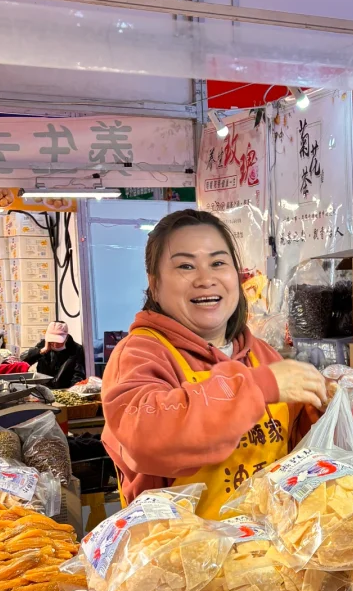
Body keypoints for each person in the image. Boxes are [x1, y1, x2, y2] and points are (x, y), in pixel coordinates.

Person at [101, 208, 328, 518]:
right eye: (185, 266)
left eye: (218, 263)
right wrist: (258, 387)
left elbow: (295, 453)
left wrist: (323, 407)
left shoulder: (261, 354)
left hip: (268, 542)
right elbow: (146, 438)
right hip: (178, 545)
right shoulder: (140, 355)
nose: (206, 279)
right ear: (154, 284)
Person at [23, 322, 86, 390]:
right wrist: (41, 351)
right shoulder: (43, 345)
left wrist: (70, 391)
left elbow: (78, 375)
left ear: (66, 337)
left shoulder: (76, 349)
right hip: (44, 390)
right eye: (52, 341)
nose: (55, 345)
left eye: (58, 341)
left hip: (66, 390)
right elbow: (23, 363)